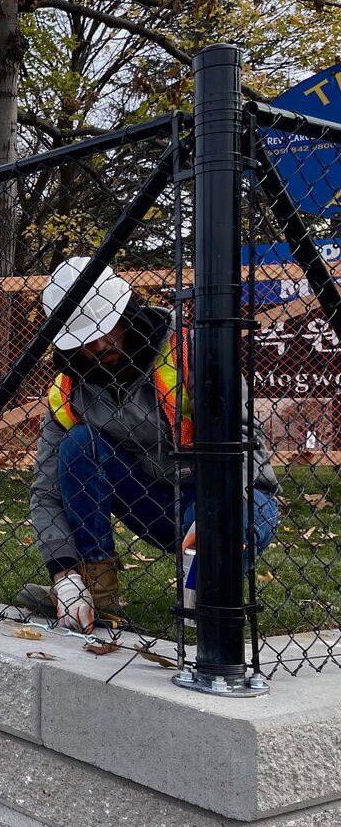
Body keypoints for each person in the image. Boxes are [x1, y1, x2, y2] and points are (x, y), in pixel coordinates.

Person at [19, 257, 280, 633]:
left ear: (125, 312)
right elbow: (45, 490)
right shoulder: (68, 391)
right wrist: (64, 572)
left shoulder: (189, 351)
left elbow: (241, 443)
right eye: (84, 338)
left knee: (214, 577)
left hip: (237, 496)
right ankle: (93, 591)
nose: (100, 343)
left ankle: (210, 586)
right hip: (156, 504)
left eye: (106, 327)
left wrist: (214, 514)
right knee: (79, 443)